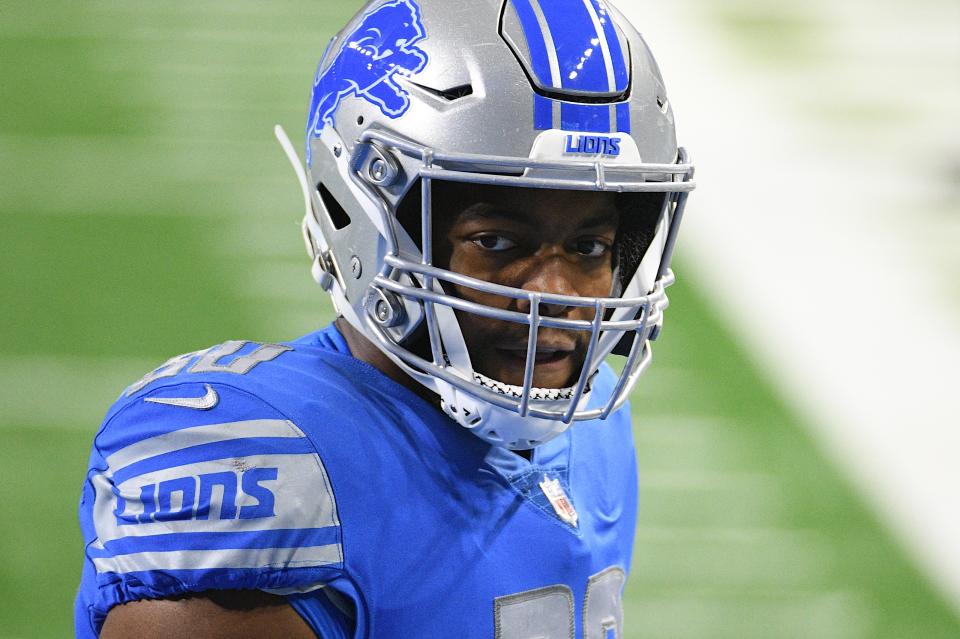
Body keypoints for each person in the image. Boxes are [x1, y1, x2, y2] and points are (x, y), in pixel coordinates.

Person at [75, 0, 695, 636]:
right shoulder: (269, 463)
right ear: (364, 219)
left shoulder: (592, 418)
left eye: (590, 247)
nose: (556, 293)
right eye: (497, 241)